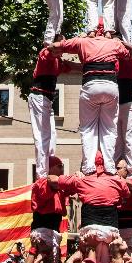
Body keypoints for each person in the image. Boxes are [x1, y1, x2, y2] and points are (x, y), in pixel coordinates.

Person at [48, 36, 132, 175]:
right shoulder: (114, 43)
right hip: (110, 87)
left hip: (91, 86)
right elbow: (131, 55)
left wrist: (54, 50)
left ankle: (89, 166)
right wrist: (128, 46)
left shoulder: (82, 41)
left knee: (89, 129)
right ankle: (109, 166)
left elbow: (54, 46)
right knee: (109, 129)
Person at [48, 152, 132, 263]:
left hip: (90, 230)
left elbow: (51, 179)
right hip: (110, 230)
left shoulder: (81, 179)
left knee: (87, 261)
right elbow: (127, 193)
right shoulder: (117, 180)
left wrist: (75, 176)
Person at [28, 44, 81, 178]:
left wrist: (93, 64)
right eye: (61, 44)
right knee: (42, 137)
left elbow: (75, 67)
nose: (64, 48)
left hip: (47, 100)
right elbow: (52, 51)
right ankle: (42, 173)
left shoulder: (58, 61)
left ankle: (49, 165)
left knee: (52, 135)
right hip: (38, 97)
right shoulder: (45, 53)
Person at [23, 156, 67, 263]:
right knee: (43, 260)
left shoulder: (58, 187)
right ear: (51, 168)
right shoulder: (42, 183)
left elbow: (63, 211)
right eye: (60, 166)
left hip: (51, 229)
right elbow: (51, 182)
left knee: (44, 262)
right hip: (43, 228)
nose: (62, 169)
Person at [114, 56, 132, 178]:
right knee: (116, 142)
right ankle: (115, 171)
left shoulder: (129, 54)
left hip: (129, 102)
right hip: (115, 104)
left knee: (130, 140)